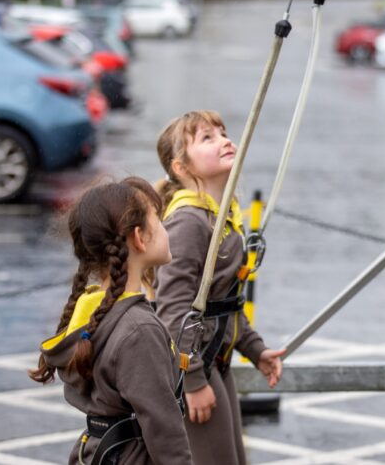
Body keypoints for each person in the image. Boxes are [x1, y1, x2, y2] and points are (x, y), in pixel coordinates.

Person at [30, 177, 192, 465]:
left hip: (98, 453)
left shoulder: (91, 310)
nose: (166, 227)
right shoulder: (139, 329)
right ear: (140, 238)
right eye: (160, 219)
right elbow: (164, 430)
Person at [155, 110, 284, 465]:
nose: (225, 140)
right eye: (207, 138)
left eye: (223, 132)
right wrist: (193, 381)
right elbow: (172, 311)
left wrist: (255, 349)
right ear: (181, 168)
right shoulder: (188, 222)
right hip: (195, 366)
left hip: (215, 360)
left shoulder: (220, 214)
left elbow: (223, 301)